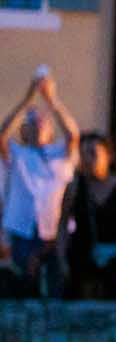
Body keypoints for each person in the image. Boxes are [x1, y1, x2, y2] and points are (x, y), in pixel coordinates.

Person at [1, 69, 80, 295]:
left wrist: (52, 101)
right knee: (25, 278)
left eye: (42, 122)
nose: (38, 125)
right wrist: (27, 100)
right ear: (24, 132)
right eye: (32, 123)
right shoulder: (18, 154)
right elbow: (3, 136)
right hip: (23, 226)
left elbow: (73, 135)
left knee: (56, 278)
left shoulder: (60, 154)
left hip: (55, 228)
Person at [59, 131, 116, 300]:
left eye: (93, 153)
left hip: (114, 257)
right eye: (83, 154)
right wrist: (62, 257)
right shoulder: (75, 187)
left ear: (108, 156)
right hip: (82, 255)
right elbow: (63, 223)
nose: (87, 160)